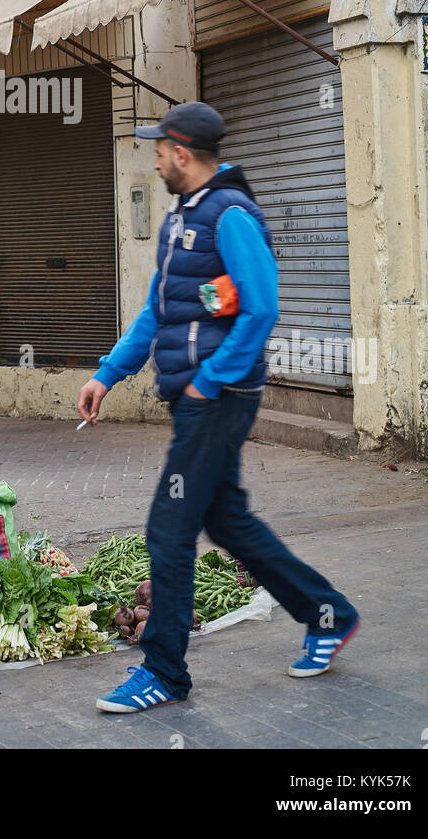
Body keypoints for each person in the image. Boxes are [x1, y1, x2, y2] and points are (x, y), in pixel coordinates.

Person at [78, 102, 360, 714]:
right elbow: (161, 311)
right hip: (197, 399)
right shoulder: (181, 219)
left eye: (159, 150)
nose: (153, 159)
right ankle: (328, 615)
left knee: (169, 527)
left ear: (182, 153)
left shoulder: (230, 215)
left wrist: (210, 381)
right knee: (227, 522)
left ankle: (164, 673)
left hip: (218, 400)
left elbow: (260, 308)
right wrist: (109, 373)